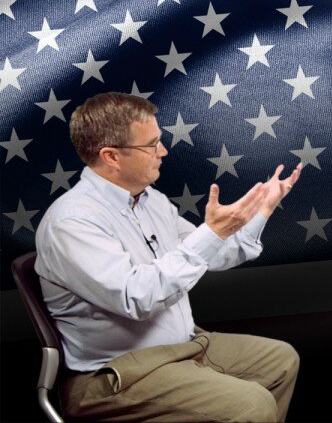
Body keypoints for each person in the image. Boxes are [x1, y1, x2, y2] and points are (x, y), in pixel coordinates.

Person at [34, 92, 302, 422]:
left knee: (280, 360)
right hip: (116, 374)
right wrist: (212, 232)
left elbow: (214, 256)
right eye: (152, 145)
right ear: (111, 156)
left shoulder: (151, 201)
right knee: (250, 404)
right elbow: (138, 299)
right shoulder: (72, 222)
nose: (163, 152)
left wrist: (263, 210)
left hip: (182, 348)